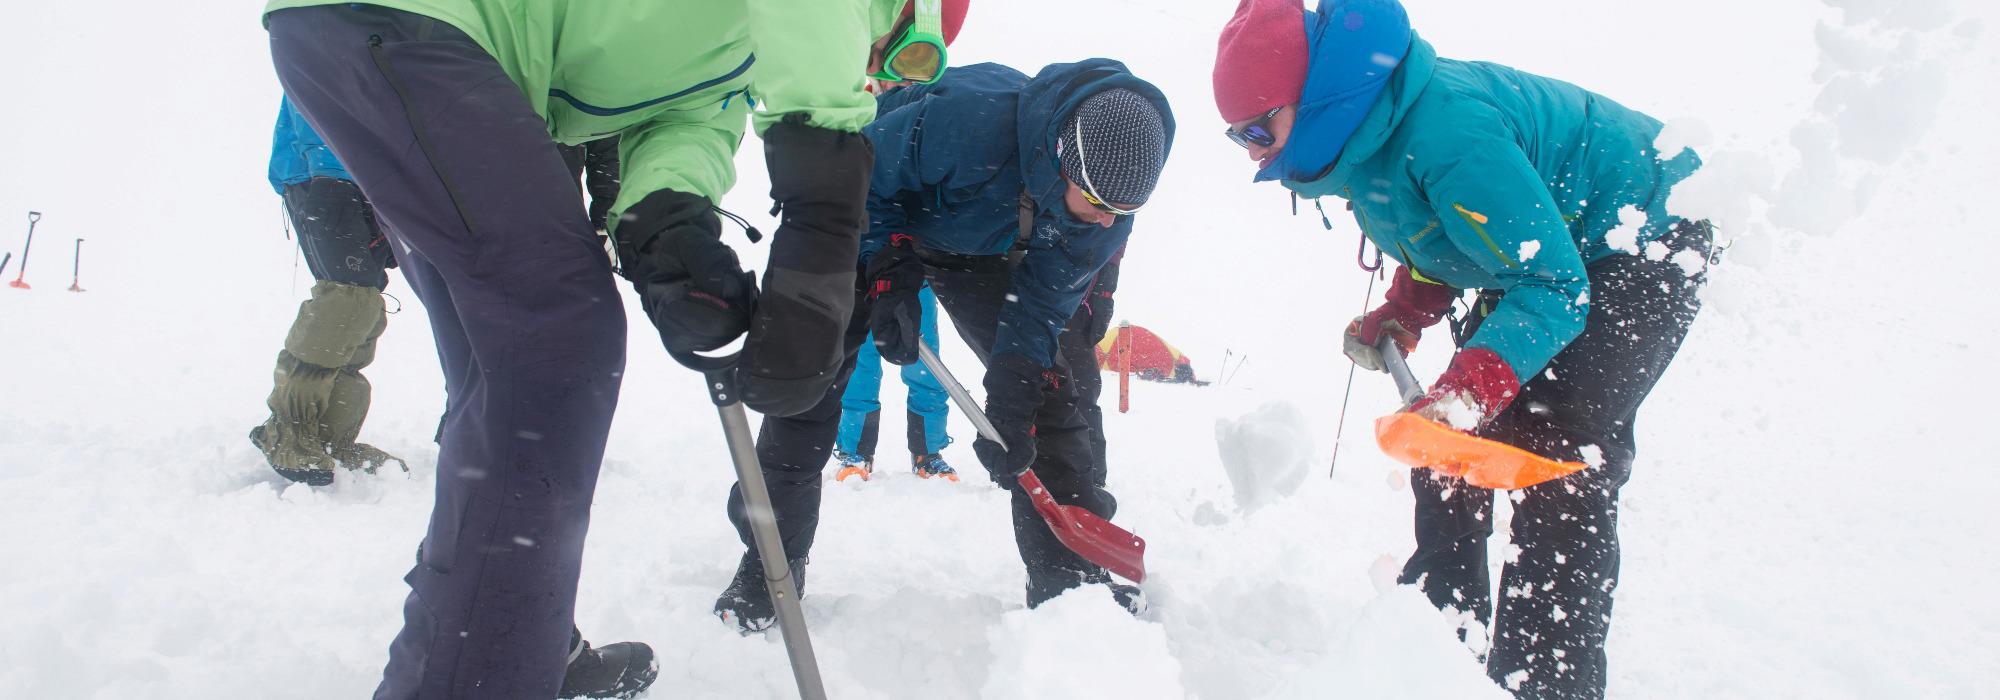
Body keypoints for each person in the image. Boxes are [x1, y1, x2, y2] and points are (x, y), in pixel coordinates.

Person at [263, 0, 945, 696]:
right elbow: (819, 60)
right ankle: (486, 663)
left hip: (421, 54)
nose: (881, 77)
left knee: (502, 369)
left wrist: (669, 235)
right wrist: (823, 226)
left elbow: (684, 125)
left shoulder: (728, 55)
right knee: (558, 338)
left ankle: (508, 635)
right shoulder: (812, 30)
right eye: (902, 52)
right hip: (423, 29)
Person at [1212, 0, 1709, 697]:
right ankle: (1439, 639)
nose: (1255, 152)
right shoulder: (1364, 137)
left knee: (1557, 448)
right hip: (1548, 247)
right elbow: (1441, 231)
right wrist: (1407, 309)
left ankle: (1543, 680)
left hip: (1645, 233)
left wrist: (1472, 385)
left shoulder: (1448, 132)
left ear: (1316, 97)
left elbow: (1552, 284)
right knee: (1443, 438)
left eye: (1259, 128)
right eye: (1238, 137)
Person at [713, 56, 1173, 631]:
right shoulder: (971, 121)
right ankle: (770, 567)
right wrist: (886, 267)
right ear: (1061, 159)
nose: (1109, 223)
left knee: (1052, 397)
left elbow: (1043, 304)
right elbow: (857, 179)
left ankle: (1068, 581)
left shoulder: (1105, 209)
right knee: (806, 389)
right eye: (1100, 204)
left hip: (977, 249)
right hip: (867, 217)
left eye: (1124, 212)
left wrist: (1015, 388)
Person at [251, 97, 403, 487]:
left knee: (365, 307)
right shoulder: (330, 34)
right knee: (345, 301)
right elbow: (316, 85)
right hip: (325, 169)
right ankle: (287, 430)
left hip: (363, 172)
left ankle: (330, 437)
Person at [830, 283, 956, 482]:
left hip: (913, 277)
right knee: (858, 366)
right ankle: (856, 452)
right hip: (862, 276)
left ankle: (927, 452)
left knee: (925, 364)